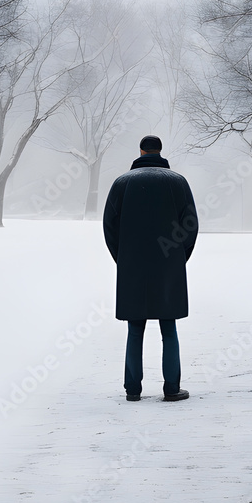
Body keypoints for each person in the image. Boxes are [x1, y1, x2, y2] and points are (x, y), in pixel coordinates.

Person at [102, 135, 198, 401]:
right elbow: (190, 224)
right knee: (169, 327)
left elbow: (109, 226)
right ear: (160, 151)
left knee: (135, 329)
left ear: (141, 151)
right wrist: (178, 257)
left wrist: (123, 258)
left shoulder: (122, 183)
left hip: (132, 266)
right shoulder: (178, 182)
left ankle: (133, 389)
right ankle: (171, 388)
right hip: (168, 265)